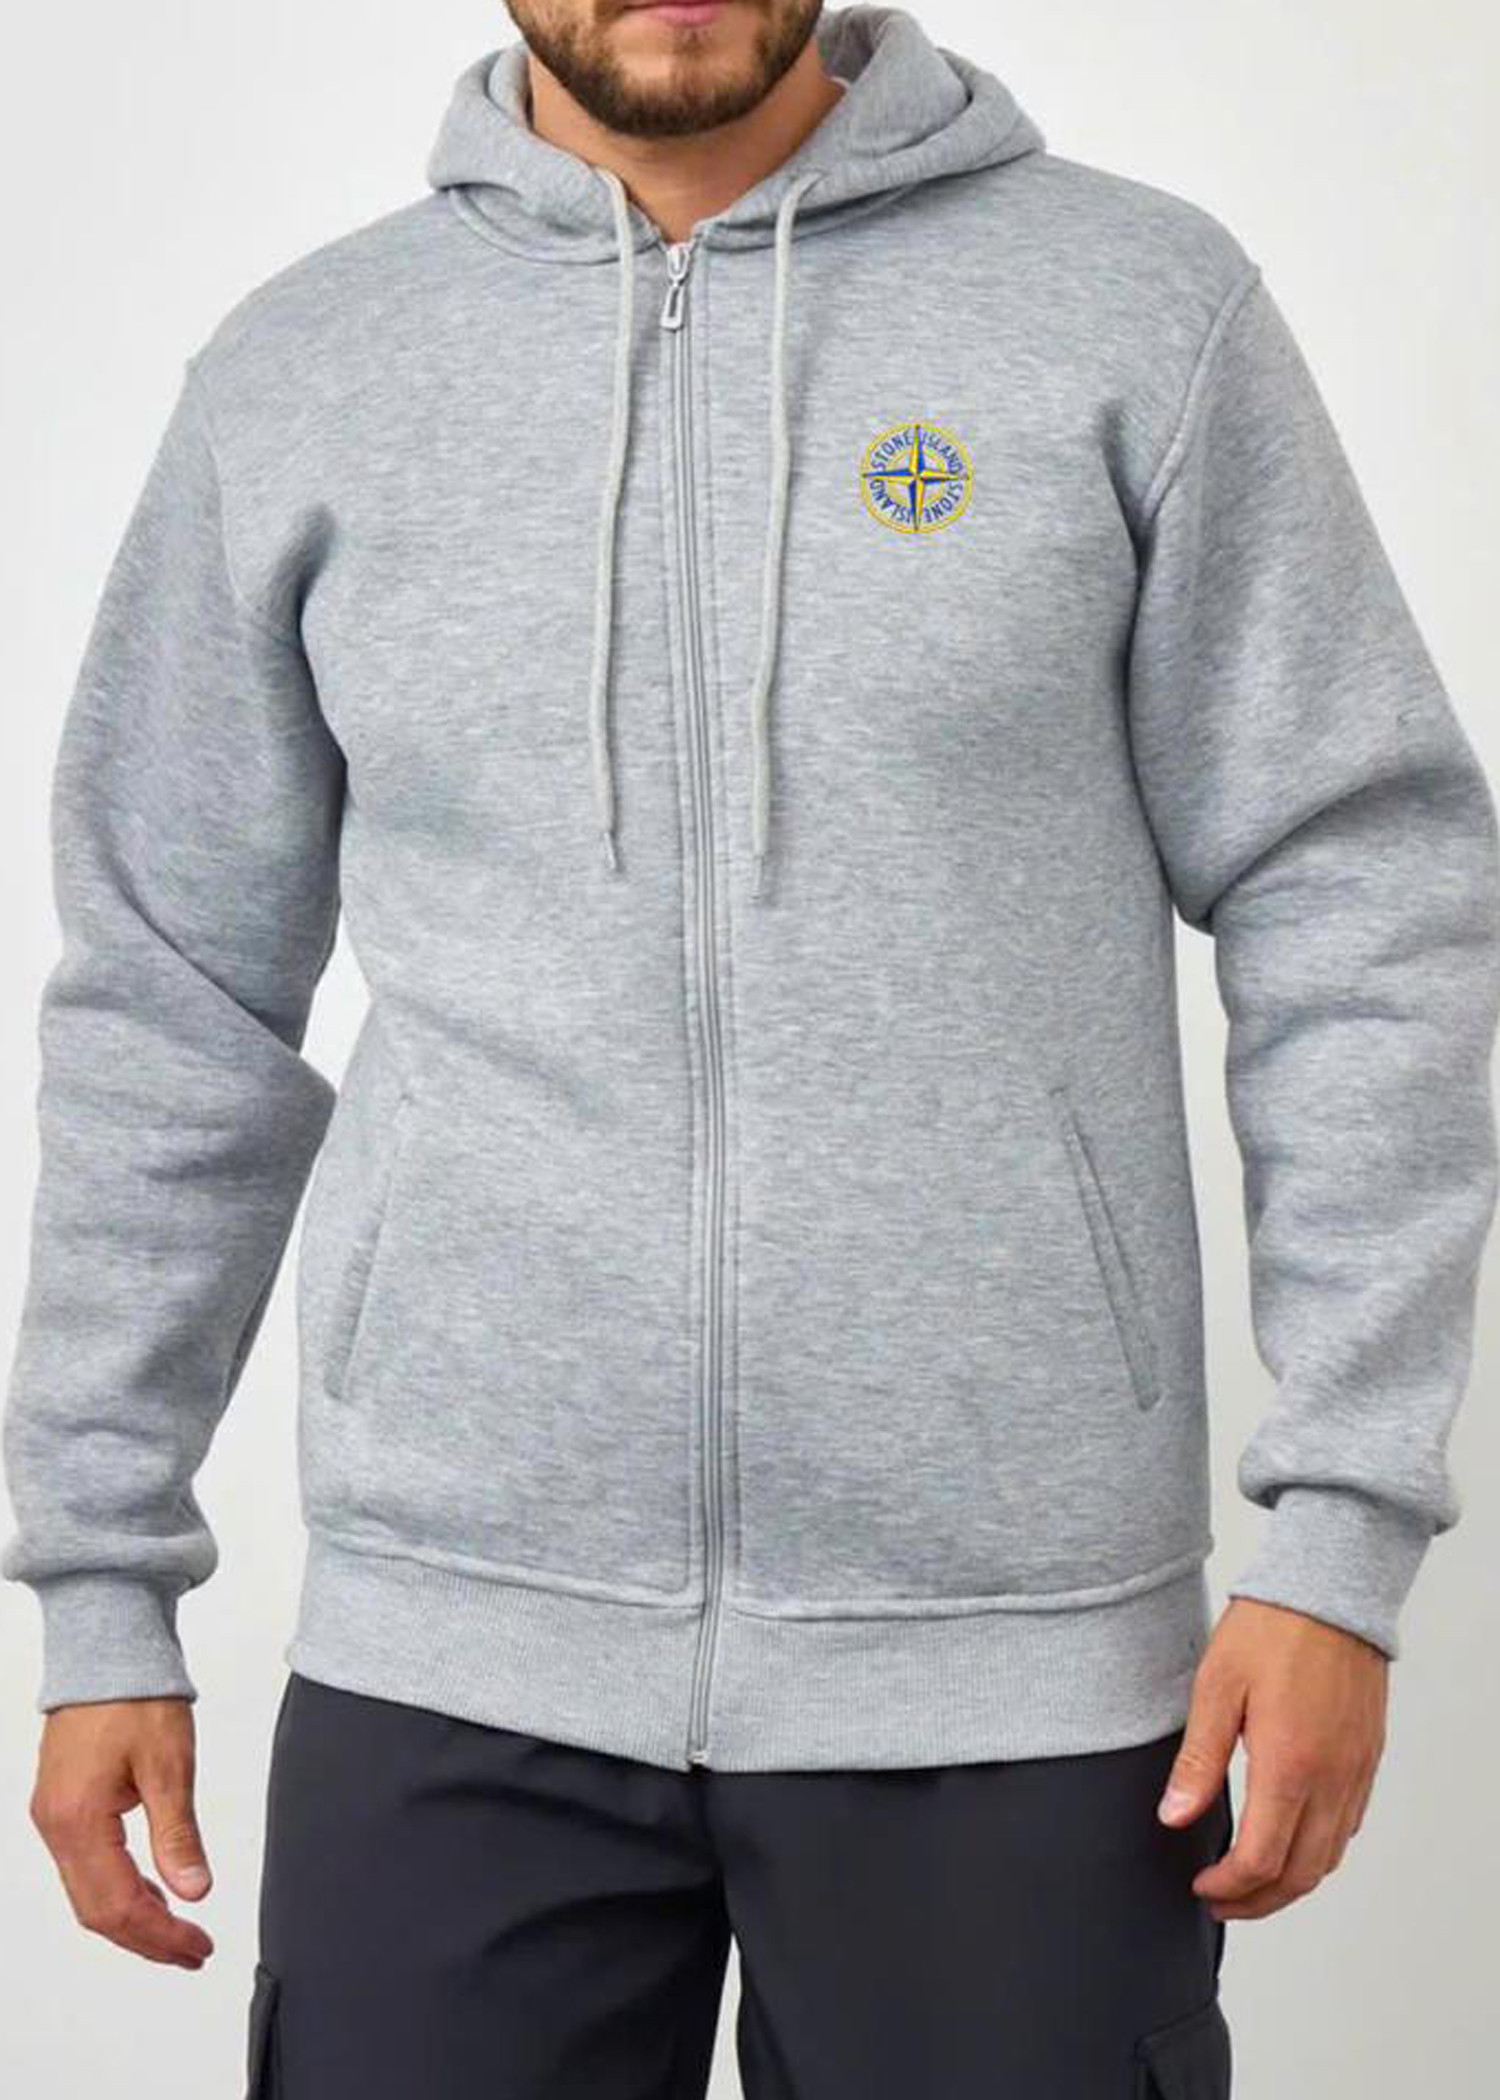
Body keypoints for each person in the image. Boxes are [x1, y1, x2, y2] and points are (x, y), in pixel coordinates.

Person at [6, 4, 1497, 2094]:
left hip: (1014, 1673)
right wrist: (98, 1583)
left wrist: (1340, 1540)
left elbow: (1365, 900)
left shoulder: (1137, 314)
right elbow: (174, 1002)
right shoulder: (308, 373)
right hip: (454, 1652)